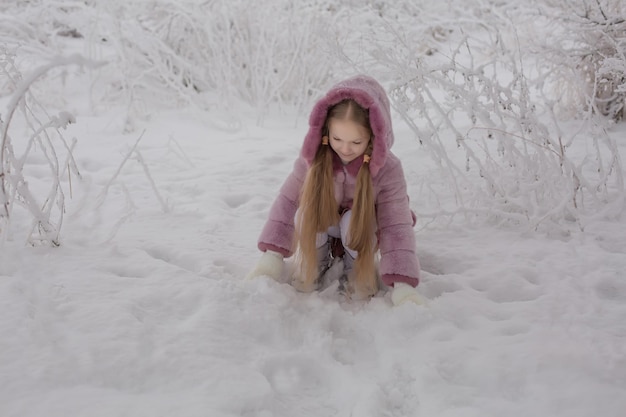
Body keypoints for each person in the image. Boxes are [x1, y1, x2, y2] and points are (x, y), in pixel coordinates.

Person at [246, 75, 424, 306]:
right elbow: (287, 202)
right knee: (306, 211)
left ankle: (358, 270)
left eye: (356, 142)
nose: (345, 149)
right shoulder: (314, 159)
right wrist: (271, 257)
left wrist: (403, 285)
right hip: (325, 224)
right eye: (337, 138)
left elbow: (395, 224)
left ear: (372, 137)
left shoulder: (388, 169)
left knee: (352, 222)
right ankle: (315, 262)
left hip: (362, 231)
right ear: (325, 131)